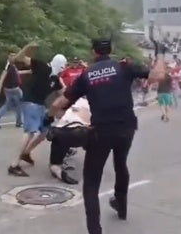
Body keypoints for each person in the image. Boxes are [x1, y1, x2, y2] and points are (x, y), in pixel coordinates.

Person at [48, 39, 166, 234]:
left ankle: (95, 230)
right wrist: (160, 54)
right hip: (126, 128)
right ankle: (121, 204)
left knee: (92, 182)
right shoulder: (123, 67)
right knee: (121, 163)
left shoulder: (87, 75)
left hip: (101, 131)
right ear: (110, 51)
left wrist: (50, 116)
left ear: (94, 51)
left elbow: (62, 101)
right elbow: (158, 76)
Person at [7, 43, 65, 177]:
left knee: (44, 132)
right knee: (30, 132)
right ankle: (14, 164)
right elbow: (20, 58)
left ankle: (26, 152)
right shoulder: (42, 66)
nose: (61, 71)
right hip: (30, 102)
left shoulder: (55, 78)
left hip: (39, 105)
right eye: (61, 68)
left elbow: (65, 93)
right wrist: (27, 47)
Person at [0, 53, 23, 128]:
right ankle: (19, 122)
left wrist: (28, 71)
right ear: (8, 57)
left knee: (9, 105)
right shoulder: (8, 66)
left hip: (11, 89)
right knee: (19, 105)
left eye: (15, 56)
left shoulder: (13, 66)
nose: (14, 57)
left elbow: (17, 73)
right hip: (13, 89)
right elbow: (3, 76)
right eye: (12, 56)